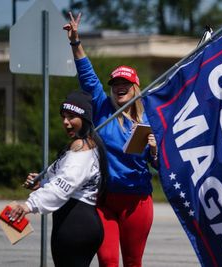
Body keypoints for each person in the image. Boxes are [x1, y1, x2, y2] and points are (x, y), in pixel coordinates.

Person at [63, 12, 158, 267]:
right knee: (106, 260)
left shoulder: (148, 119)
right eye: (115, 82)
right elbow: (88, 75)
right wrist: (75, 41)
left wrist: (155, 151)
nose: (119, 86)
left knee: (132, 261)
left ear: (135, 86)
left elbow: (159, 165)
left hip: (137, 201)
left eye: (125, 82)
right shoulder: (103, 107)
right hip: (104, 198)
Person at [9, 90, 109, 267]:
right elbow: (68, 181)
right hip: (80, 223)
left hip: (75, 226)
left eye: (71, 117)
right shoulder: (86, 144)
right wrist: (43, 183)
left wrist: (28, 205)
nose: (66, 122)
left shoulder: (81, 148)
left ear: (84, 118)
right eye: (64, 116)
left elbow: (62, 187)